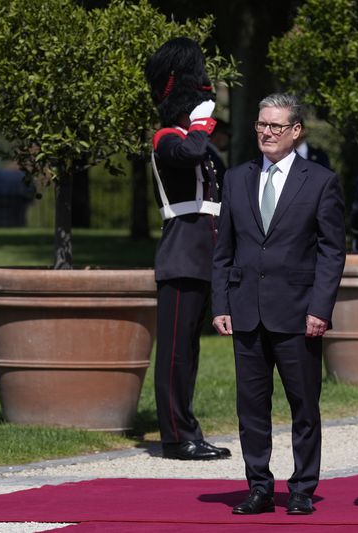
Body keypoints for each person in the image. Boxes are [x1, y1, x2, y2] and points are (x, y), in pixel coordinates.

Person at [212, 93, 346, 515]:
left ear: (295, 131)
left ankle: (303, 487)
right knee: (251, 406)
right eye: (260, 124)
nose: (266, 133)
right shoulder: (236, 178)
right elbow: (223, 251)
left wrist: (320, 310)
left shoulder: (320, 181)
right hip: (246, 310)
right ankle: (259, 487)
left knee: (303, 405)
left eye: (275, 126)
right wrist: (221, 304)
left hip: (298, 314)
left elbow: (331, 252)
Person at [144, 37, 230, 461]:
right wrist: (201, 122)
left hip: (206, 252)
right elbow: (192, 150)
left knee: (190, 354)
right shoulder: (166, 138)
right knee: (175, 353)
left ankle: (188, 428)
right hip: (182, 254)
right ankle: (176, 436)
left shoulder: (196, 141)